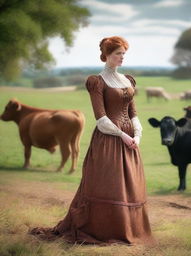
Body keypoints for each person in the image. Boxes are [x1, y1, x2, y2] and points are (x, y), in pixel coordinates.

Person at [30, 36, 153, 245]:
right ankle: (103, 230)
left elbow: (133, 112)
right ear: (106, 55)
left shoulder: (128, 80)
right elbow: (101, 119)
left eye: (124, 53)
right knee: (110, 185)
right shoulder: (97, 81)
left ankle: (129, 230)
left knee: (130, 186)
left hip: (130, 142)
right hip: (109, 141)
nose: (122, 57)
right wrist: (123, 135)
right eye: (118, 54)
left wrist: (137, 135)